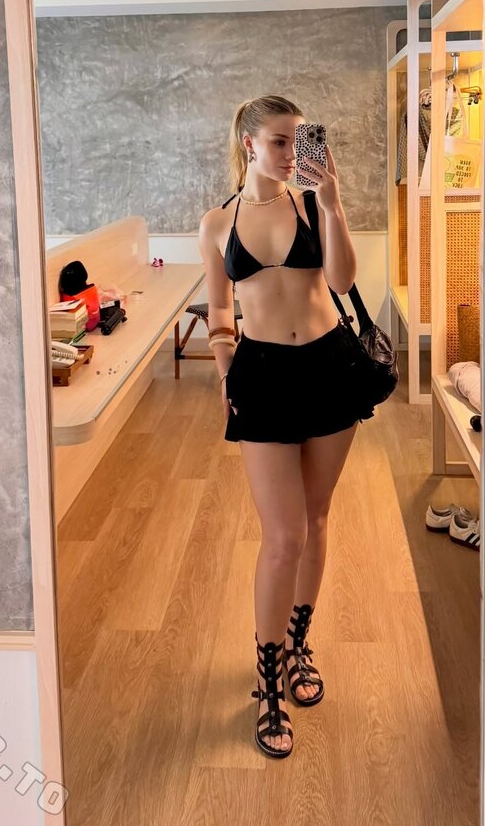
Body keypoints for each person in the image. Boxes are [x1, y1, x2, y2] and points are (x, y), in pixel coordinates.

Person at [197, 95, 375, 759]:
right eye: (279, 141)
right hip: (263, 375)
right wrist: (225, 370)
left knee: (317, 519)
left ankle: (300, 645)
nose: (291, 153)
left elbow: (344, 280)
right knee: (283, 537)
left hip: (330, 365)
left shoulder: (310, 203)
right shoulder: (218, 223)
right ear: (249, 143)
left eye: (299, 140)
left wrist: (331, 202)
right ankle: (268, 678)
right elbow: (220, 310)